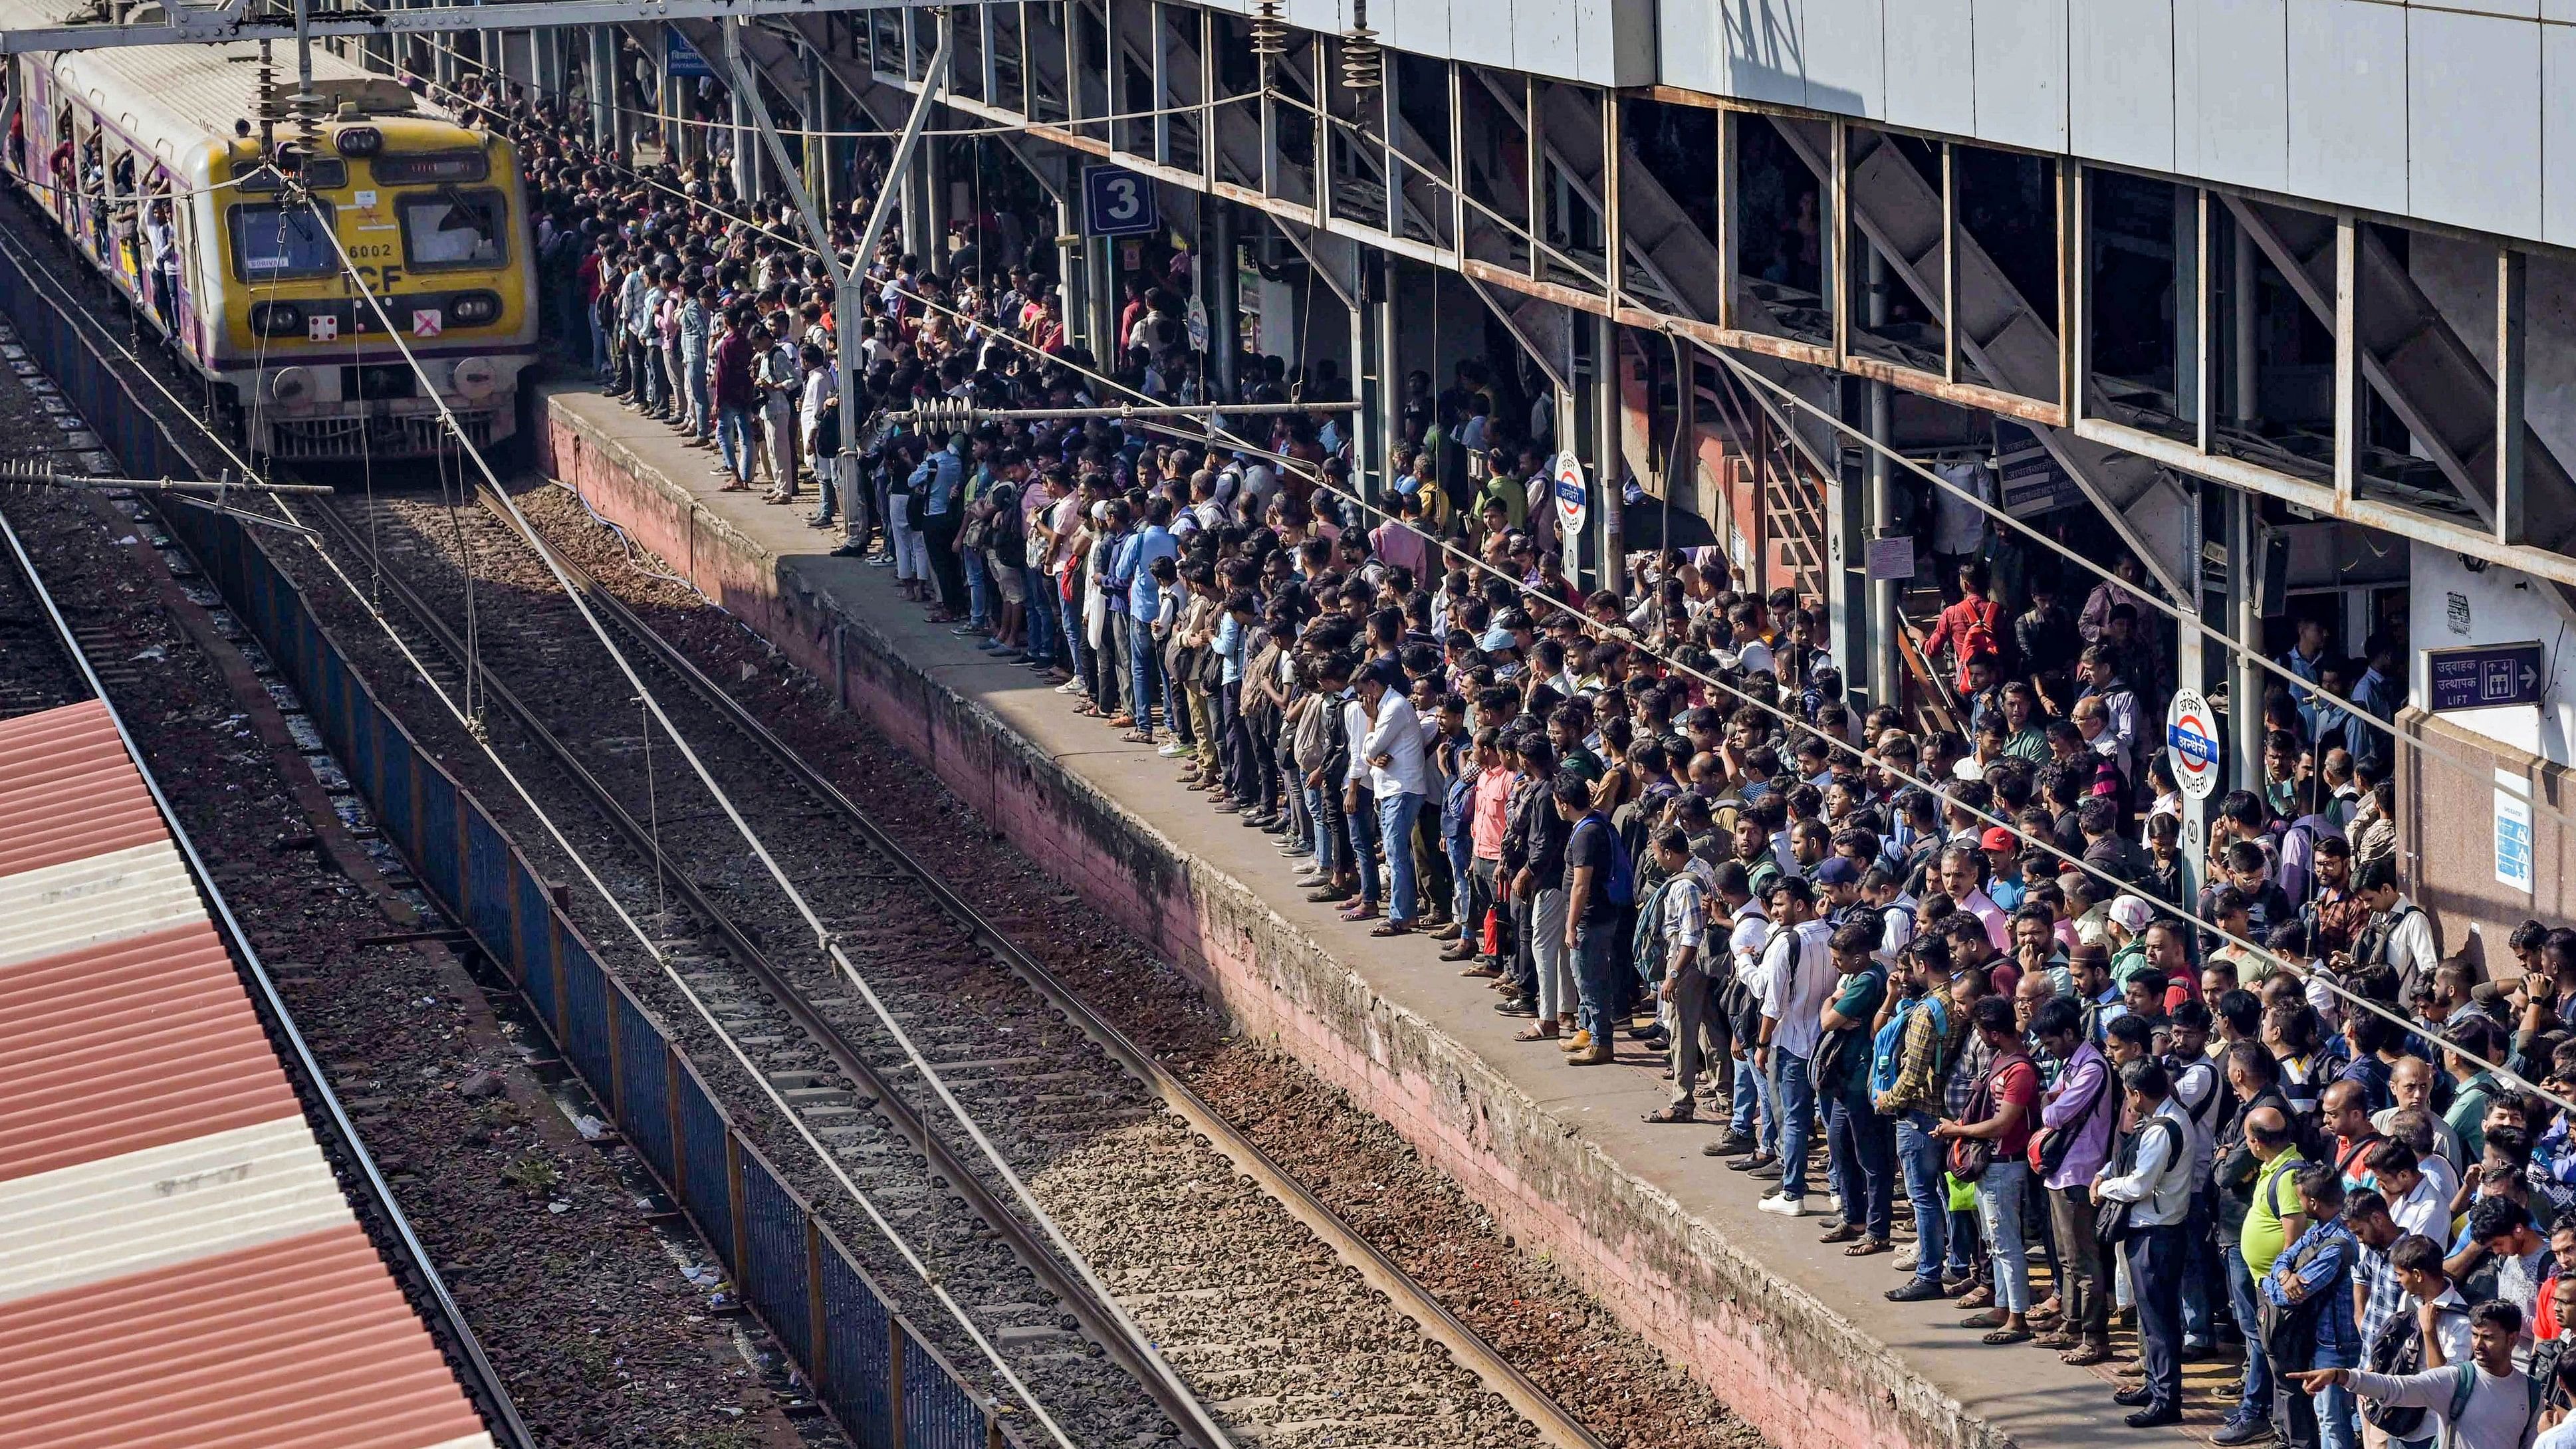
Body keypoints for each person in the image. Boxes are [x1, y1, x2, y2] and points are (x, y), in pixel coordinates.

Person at [1935, 994, 2043, 1343]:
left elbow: (2003, 1124)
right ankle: (2002, 1305)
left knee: (2007, 1244)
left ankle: (2017, 1317)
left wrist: (1957, 1130)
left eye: (1981, 1030)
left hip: (2004, 1165)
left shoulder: (2020, 1070)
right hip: (1992, 1164)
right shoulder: (2005, 1060)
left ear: (1993, 1033)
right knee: (1995, 1241)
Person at [2097, 1057, 2197, 1426]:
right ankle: (2155, 1384)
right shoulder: (2167, 1119)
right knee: (2152, 1316)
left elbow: (2139, 1184)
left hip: (2157, 1233)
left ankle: (2167, 1399)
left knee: (2160, 1321)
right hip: (2157, 1229)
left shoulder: (2163, 1129)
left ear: (2137, 1094)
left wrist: (2104, 1187)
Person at [2297, 1302, 2547, 1449]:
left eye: (2488, 1338)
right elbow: (2397, 1388)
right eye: (2475, 1335)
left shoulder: (2531, 1391)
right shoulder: (2456, 1380)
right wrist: (2342, 1376)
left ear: (2513, 1339)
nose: (2478, 1345)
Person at [2034, 997, 2119, 1363]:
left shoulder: (2092, 1068)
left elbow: (2055, 1113)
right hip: (2062, 1170)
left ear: (2069, 1033)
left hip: (2080, 1171)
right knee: (2066, 1257)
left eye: (2051, 1042)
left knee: (2083, 1260)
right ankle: (2071, 1323)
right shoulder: (2071, 1065)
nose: (2048, 1051)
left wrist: (2049, 1104)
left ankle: (2095, 1335)